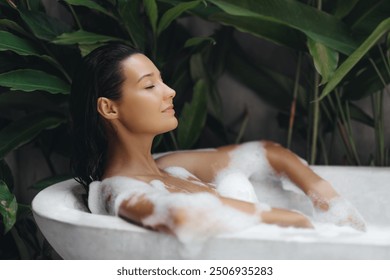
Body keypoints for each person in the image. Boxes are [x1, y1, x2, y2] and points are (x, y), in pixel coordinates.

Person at [70, 43, 366, 241]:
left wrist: (330, 204)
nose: (170, 91)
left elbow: (269, 153)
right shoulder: (118, 189)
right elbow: (184, 216)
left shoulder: (169, 167)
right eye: (149, 85)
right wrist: (291, 220)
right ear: (109, 108)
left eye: (162, 81)